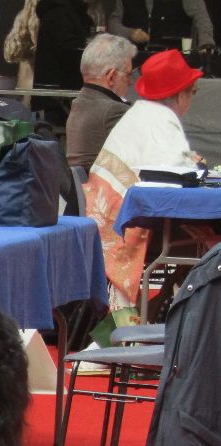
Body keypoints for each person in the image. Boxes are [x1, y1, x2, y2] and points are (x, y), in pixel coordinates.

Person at [85, 48, 212, 315]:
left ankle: (166, 306)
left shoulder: (143, 113)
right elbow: (177, 178)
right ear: (180, 94)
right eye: (193, 92)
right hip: (125, 223)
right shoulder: (160, 120)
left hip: (108, 217)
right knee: (211, 237)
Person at [66, 32, 138, 170]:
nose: (130, 82)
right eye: (128, 74)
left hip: (83, 187)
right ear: (111, 76)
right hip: (104, 188)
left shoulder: (80, 102)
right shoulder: (114, 110)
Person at [109, 0, 215, 52]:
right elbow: (113, 23)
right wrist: (130, 33)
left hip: (172, 60)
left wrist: (206, 44)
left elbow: (201, 17)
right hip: (134, 62)